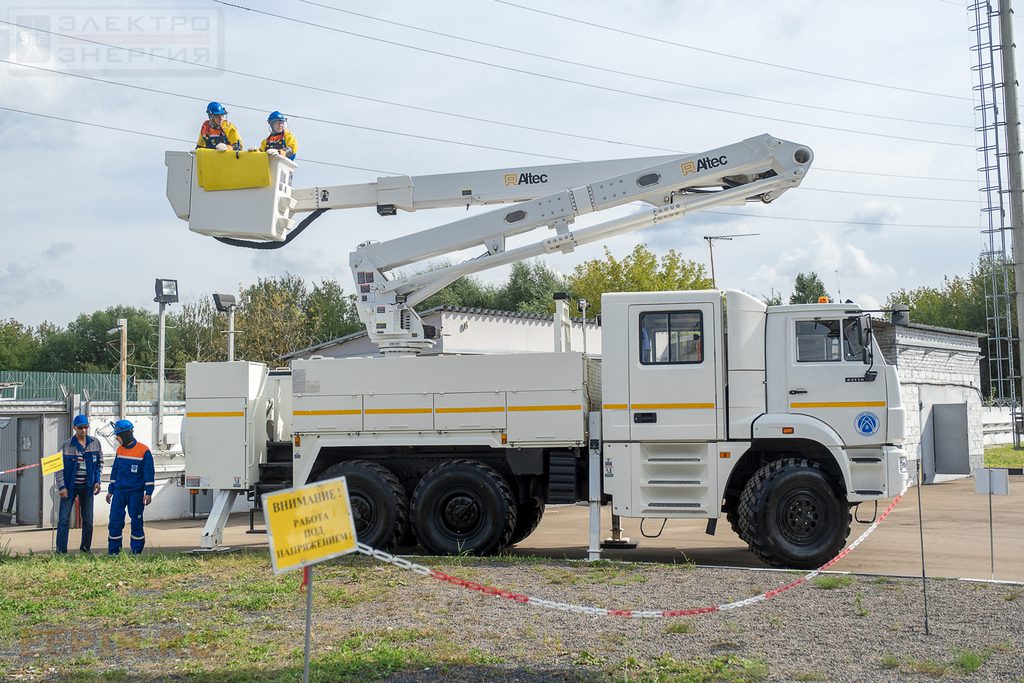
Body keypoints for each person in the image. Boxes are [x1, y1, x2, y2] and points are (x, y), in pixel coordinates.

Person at [55, 414, 103, 554]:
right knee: (64, 519)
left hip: (87, 487)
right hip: (69, 488)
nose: (83, 430)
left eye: (86, 427)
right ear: (74, 428)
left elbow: (99, 464)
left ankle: (85, 548)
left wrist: (97, 481)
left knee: (88, 520)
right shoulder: (66, 445)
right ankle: (61, 550)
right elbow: (58, 468)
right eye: (80, 428)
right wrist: (62, 486)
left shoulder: (95, 443)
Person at [105, 420, 155, 555]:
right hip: (119, 492)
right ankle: (114, 552)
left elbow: (149, 474)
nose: (116, 438)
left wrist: (148, 493)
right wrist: (110, 490)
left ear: (126, 434)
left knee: (136, 522)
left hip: (136, 493)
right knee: (115, 521)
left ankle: (136, 551)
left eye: (118, 435)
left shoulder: (143, 451)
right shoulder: (119, 450)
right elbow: (115, 471)